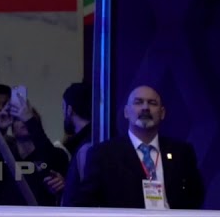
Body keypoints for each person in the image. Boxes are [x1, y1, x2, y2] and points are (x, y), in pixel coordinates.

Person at [70, 85, 205, 209]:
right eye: (138, 102)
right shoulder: (103, 154)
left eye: (152, 103)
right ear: (126, 112)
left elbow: (195, 197)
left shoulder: (182, 152)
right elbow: (85, 201)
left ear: (162, 113)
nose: (145, 108)